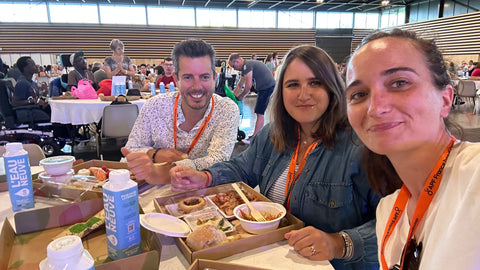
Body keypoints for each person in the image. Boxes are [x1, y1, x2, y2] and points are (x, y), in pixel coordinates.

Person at [171, 45, 380, 270]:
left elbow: (397, 225)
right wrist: (205, 177)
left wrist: (340, 243)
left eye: (315, 83)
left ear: (332, 87)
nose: (303, 94)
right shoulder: (273, 134)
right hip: (273, 257)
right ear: (281, 92)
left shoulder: (362, 147)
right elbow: (242, 168)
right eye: (293, 85)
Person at [346, 28, 480, 270]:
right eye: (359, 94)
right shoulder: (388, 213)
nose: (375, 108)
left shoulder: (474, 176)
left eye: (399, 83)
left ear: (445, 99)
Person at [121, 39, 240, 185]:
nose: (197, 87)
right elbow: (130, 151)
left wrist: (167, 170)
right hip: (153, 192)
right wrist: (156, 154)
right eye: (188, 77)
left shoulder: (226, 109)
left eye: (204, 77)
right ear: (177, 79)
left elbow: (219, 160)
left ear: (214, 78)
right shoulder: (155, 106)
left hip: (205, 193)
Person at [228, 53, 276, 138]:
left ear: (237, 61)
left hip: (267, 87)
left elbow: (248, 85)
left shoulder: (247, 65)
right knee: (259, 111)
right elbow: (240, 85)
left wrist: (241, 96)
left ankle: (255, 137)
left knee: (259, 112)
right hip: (264, 87)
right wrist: (232, 97)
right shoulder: (245, 67)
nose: (234, 69)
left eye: (233, 66)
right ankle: (256, 135)